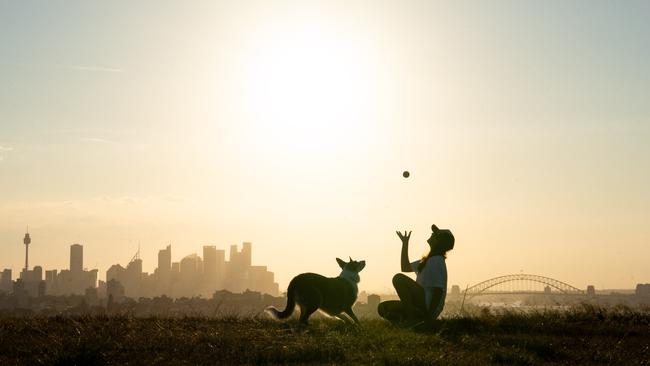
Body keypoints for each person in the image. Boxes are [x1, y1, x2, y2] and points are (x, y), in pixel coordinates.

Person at [378, 224, 454, 327]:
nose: (432, 234)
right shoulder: (429, 260)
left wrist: (429, 317)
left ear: (439, 241)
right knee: (382, 308)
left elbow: (438, 291)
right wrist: (405, 243)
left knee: (398, 278)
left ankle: (412, 319)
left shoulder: (436, 261)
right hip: (420, 305)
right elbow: (405, 267)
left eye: (435, 234)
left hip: (426, 308)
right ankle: (409, 323)